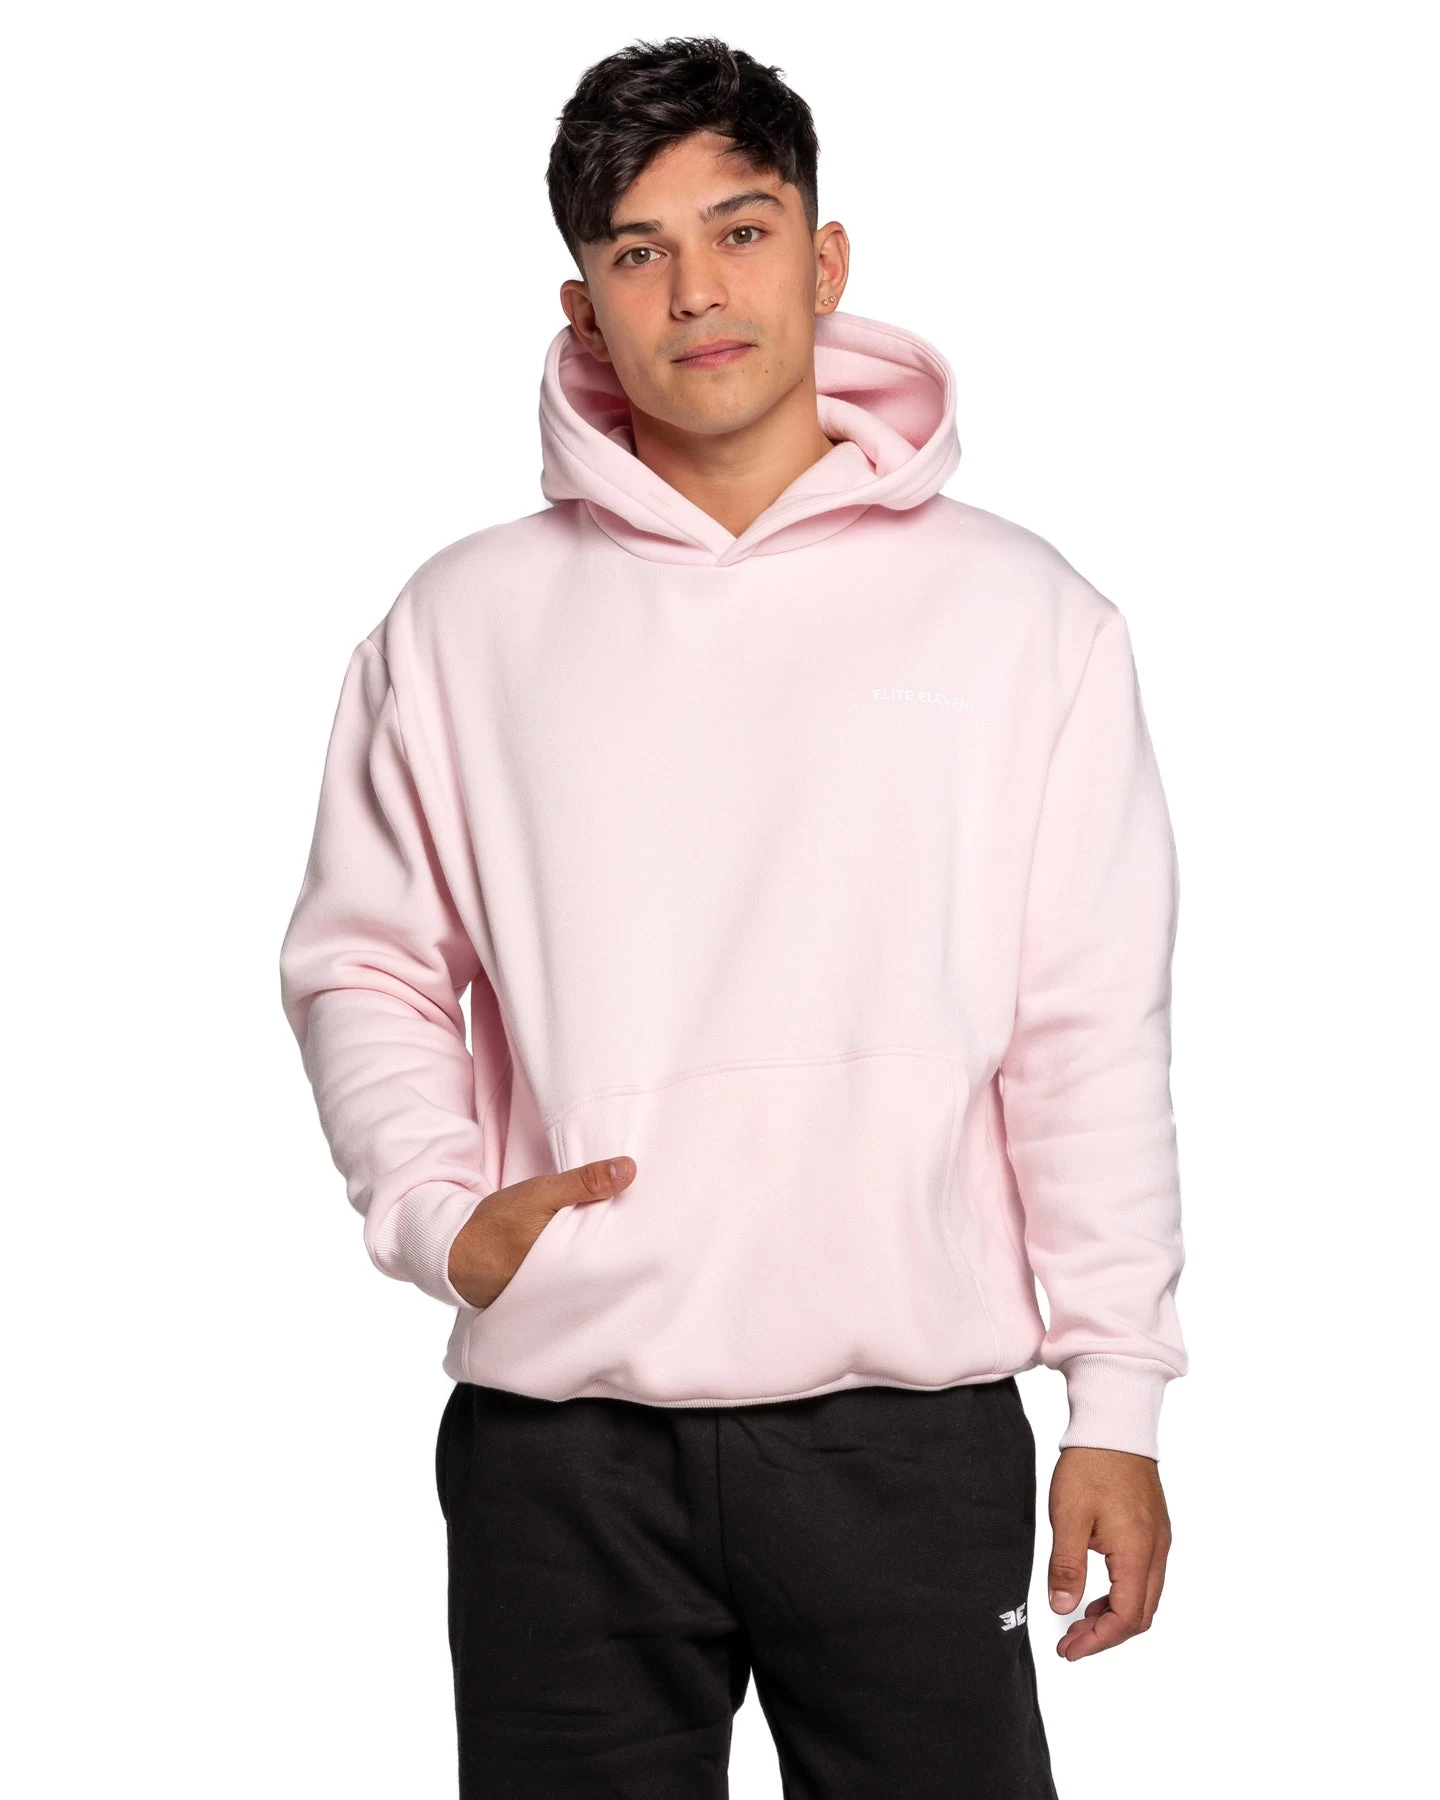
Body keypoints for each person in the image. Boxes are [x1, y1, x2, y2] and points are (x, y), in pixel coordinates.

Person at [278, 34, 1187, 1799]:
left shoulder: (1027, 620)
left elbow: (1090, 1031)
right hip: (562, 1443)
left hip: (908, 1433)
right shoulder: (458, 625)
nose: (697, 290)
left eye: (742, 230)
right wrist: (440, 1215)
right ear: (583, 304)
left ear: (824, 259)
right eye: (640, 251)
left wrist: (1119, 1403)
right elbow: (364, 960)